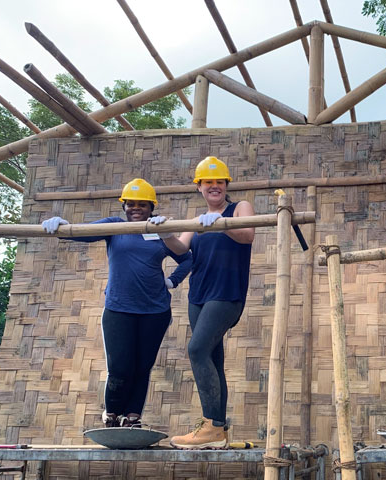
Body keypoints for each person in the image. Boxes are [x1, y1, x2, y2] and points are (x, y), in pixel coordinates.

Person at [41, 178, 192, 428]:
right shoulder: (114, 226)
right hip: (118, 309)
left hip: (155, 311)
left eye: (142, 204)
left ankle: (133, 416)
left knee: (142, 366)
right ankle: (112, 412)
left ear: (151, 207)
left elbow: (187, 259)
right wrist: (62, 226)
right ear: (123, 206)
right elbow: (83, 233)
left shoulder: (160, 230)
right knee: (120, 367)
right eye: (130, 204)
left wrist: (172, 281)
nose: (135, 208)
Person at [149, 156, 255, 449]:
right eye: (208, 183)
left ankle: (210, 426)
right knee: (212, 358)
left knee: (196, 349)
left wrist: (221, 224)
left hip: (226, 293)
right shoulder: (197, 219)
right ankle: (217, 430)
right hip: (198, 296)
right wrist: (165, 232)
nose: (214, 187)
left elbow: (247, 235)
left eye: (219, 182)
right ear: (199, 187)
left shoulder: (239, 208)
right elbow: (181, 248)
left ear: (226, 185)